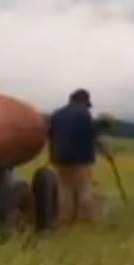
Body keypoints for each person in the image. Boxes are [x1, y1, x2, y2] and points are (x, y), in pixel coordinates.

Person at [47, 88, 113, 225]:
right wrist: (106, 152)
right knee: (84, 191)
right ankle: (83, 222)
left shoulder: (56, 115)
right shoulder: (84, 115)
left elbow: (50, 135)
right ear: (84, 101)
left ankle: (65, 220)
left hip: (60, 159)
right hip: (81, 160)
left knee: (65, 191)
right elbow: (92, 136)